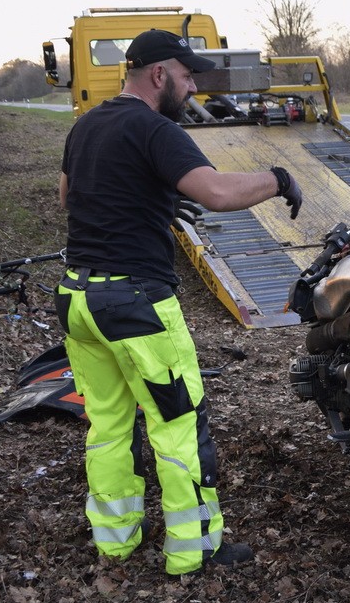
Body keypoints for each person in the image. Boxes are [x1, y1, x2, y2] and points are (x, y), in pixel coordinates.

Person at [55, 29, 303, 575]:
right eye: (188, 76)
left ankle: (116, 541)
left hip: (78, 300)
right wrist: (279, 178)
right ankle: (194, 550)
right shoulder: (155, 129)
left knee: (109, 424)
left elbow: (70, 198)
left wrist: (151, 205)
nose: (193, 87)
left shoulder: (88, 124)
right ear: (159, 74)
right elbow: (216, 192)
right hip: (137, 306)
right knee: (178, 425)